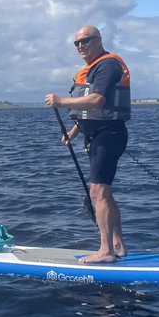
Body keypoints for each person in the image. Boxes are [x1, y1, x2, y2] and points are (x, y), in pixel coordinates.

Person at [45, 25, 131, 263]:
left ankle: (106, 251)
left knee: (98, 192)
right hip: (98, 135)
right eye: (77, 43)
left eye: (86, 41)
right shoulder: (92, 69)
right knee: (105, 193)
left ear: (99, 40)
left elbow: (98, 99)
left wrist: (62, 101)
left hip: (109, 135)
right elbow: (92, 112)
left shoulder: (107, 65)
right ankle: (118, 245)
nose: (81, 46)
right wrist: (74, 130)